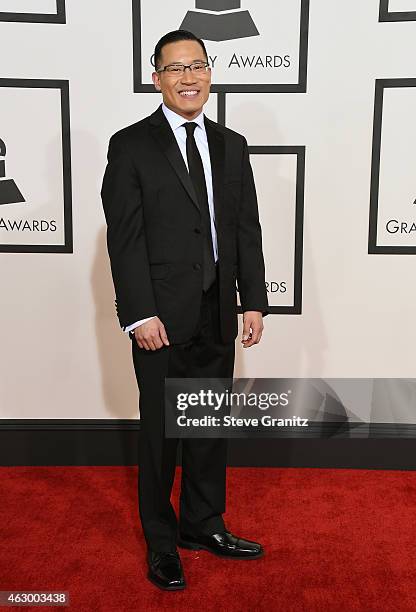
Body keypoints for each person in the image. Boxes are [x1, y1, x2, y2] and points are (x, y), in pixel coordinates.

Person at [101, 29, 269, 591]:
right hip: (160, 320)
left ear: (210, 73)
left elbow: (245, 227)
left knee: (205, 427)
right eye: (175, 68)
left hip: (219, 310)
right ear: (156, 77)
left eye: (197, 66)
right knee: (161, 435)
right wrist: (138, 313)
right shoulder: (131, 145)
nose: (188, 77)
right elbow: (124, 239)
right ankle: (162, 541)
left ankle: (203, 524)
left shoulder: (232, 144)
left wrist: (253, 301)